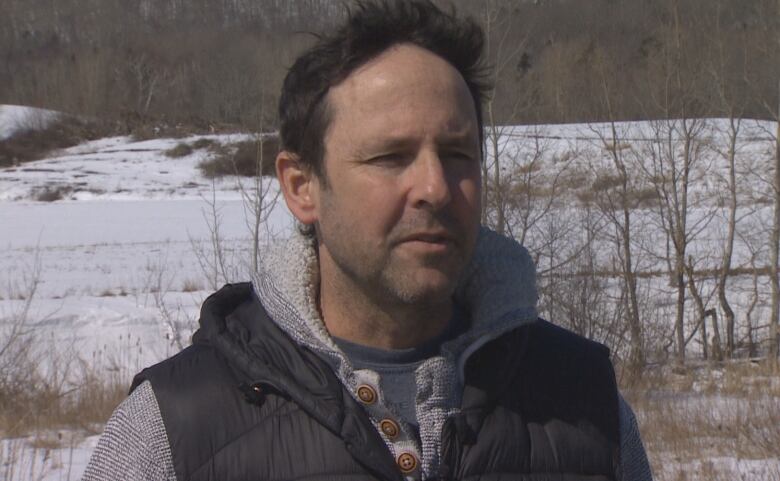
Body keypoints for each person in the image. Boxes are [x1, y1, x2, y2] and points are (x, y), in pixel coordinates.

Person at [83, 1, 653, 480]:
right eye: (390, 157)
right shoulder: (175, 431)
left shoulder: (586, 410)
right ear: (302, 187)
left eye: (457, 155)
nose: (434, 187)